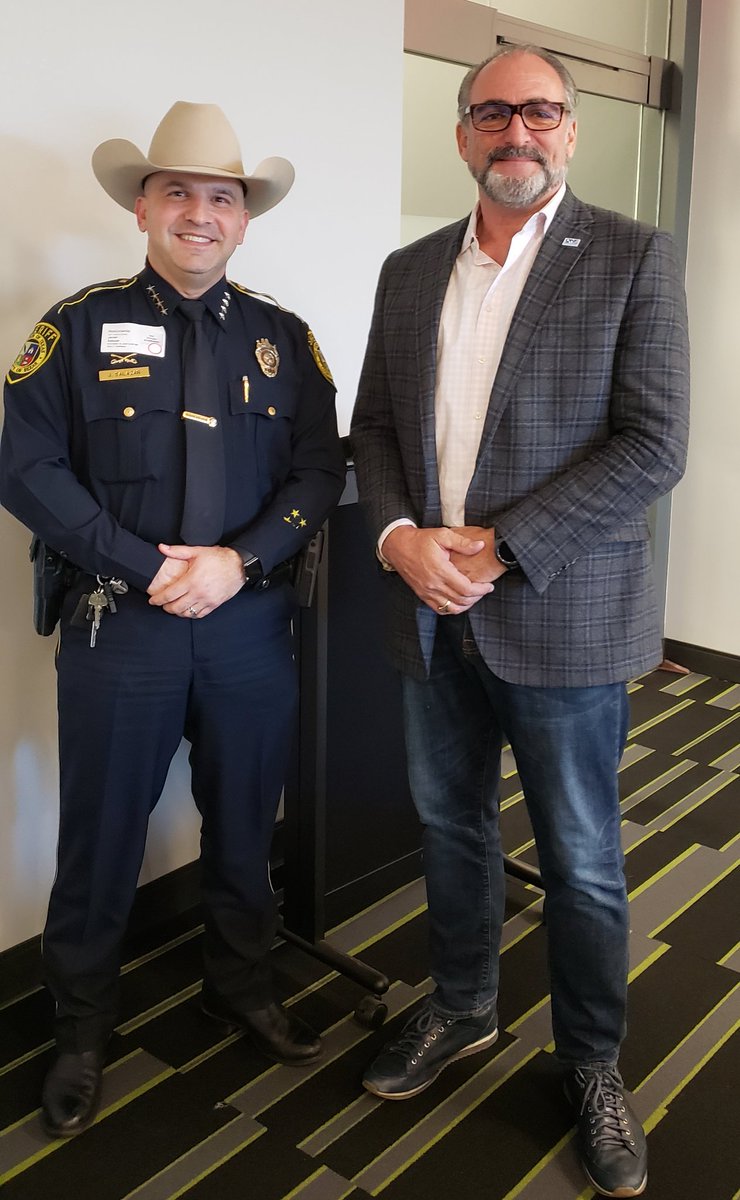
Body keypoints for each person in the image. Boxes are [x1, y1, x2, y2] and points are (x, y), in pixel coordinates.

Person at [350, 45, 689, 1199]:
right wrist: (400, 538)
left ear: (570, 130)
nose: (516, 132)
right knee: (450, 827)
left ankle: (589, 1062)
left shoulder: (632, 257)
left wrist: (498, 548)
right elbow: (377, 430)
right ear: (461, 134)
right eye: (492, 113)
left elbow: (652, 445)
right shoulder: (408, 271)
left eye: (539, 112)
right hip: (427, 610)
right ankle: (461, 1008)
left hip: (559, 611)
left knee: (581, 858)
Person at [0, 101, 345, 1138]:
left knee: (243, 824)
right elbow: (26, 468)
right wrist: (146, 566)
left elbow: (318, 471)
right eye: (179, 192)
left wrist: (240, 562)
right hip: (124, 625)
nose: (201, 213)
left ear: (245, 217)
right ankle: (80, 1029)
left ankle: (240, 987)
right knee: (101, 836)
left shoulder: (285, 340)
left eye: (222, 197)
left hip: (247, 626)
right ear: (143, 208)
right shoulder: (75, 327)